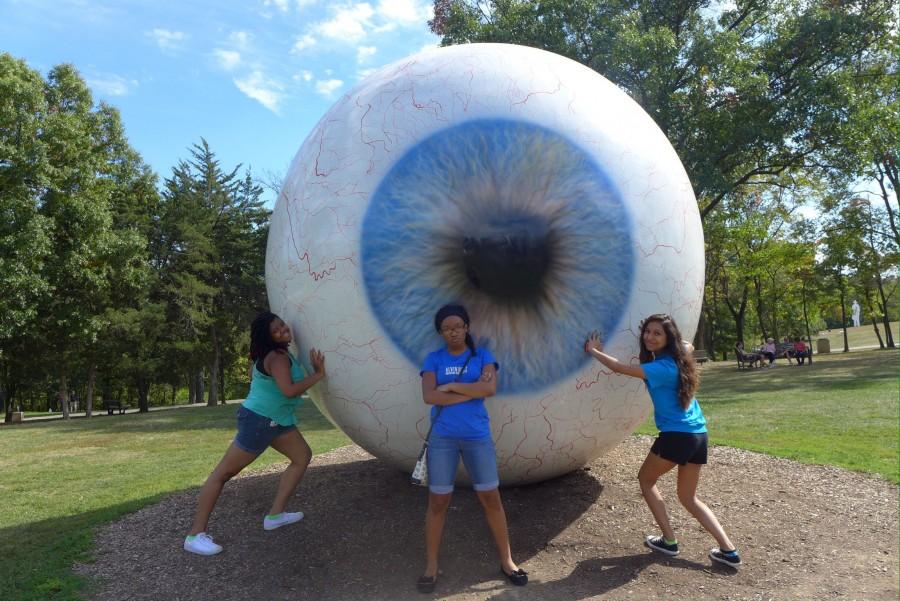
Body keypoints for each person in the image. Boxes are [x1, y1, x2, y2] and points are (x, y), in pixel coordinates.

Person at [584, 314, 742, 568]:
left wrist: (593, 351)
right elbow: (687, 345)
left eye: (657, 333)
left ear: (668, 339)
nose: (649, 337)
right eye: (647, 331)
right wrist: (677, 343)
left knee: (646, 480)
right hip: (698, 436)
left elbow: (618, 368)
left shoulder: (660, 369)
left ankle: (669, 541)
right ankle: (729, 551)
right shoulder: (680, 359)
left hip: (677, 436)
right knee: (689, 498)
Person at [183, 312, 325, 556]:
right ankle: (195, 536)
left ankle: (275, 515)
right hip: (260, 422)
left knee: (302, 456)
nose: (282, 329)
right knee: (222, 474)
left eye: (281, 324)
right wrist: (318, 374)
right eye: (276, 329)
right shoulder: (277, 358)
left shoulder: (274, 354)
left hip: (276, 420)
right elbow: (289, 390)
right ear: (268, 337)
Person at [417, 304, 527, 592]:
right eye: (447, 328)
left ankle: (507, 561)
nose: (453, 332)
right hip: (443, 439)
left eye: (458, 326)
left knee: (491, 498)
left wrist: (451, 386)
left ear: (466, 328)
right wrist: (469, 389)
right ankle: (431, 564)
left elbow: (489, 390)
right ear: (441, 332)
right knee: (438, 501)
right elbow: (429, 396)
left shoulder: (482, 356)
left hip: (477, 436)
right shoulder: (433, 359)